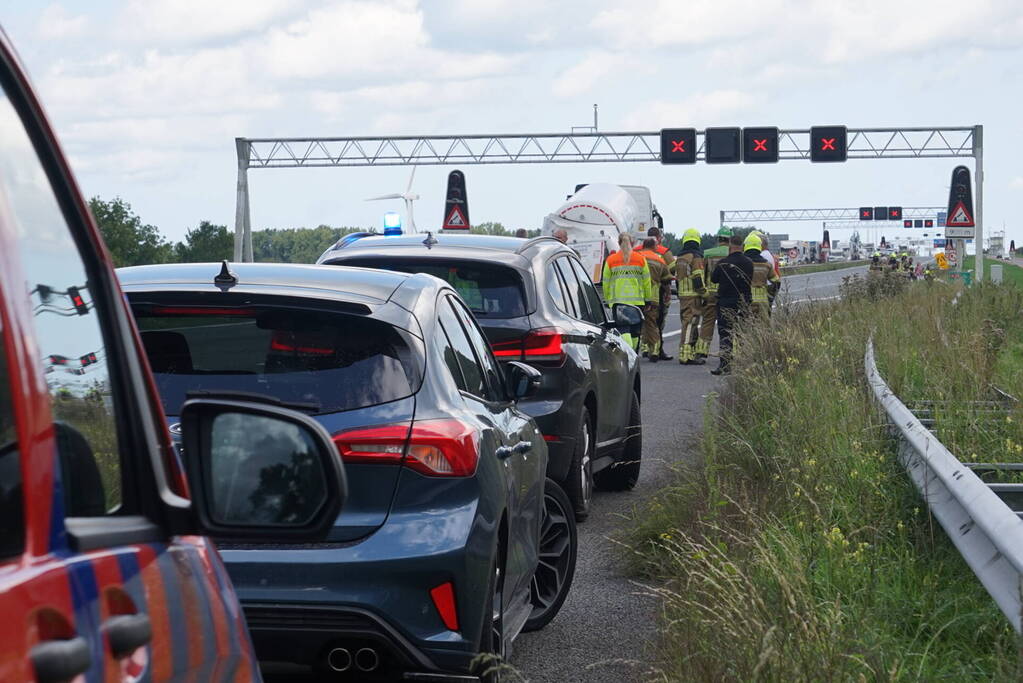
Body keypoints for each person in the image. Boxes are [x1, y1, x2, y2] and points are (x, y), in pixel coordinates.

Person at [710, 235, 752, 375]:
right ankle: (742, 364)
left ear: (729, 246)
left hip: (726, 301)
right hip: (743, 302)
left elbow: (714, 279)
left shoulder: (723, 263)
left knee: (725, 333)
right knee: (742, 332)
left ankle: (725, 365)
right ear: (742, 246)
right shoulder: (748, 262)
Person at [602, 232, 652, 350]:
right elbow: (647, 282)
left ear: (619, 243)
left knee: (623, 328)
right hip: (637, 302)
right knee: (635, 331)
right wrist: (648, 300)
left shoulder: (611, 260)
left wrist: (608, 300)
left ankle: (627, 351)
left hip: (618, 302)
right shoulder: (640, 259)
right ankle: (633, 352)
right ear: (632, 243)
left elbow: (606, 283)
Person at [635, 238, 672, 361]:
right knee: (652, 323)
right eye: (656, 245)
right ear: (652, 246)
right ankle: (655, 351)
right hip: (653, 296)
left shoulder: (636, 257)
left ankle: (640, 348)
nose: (658, 247)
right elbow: (666, 280)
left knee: (637, 324)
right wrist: (668, 293)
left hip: (636, 295)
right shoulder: (659, 259)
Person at [698, 227, 732, 362]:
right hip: (726, 293)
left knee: (707, 322)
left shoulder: (708, 253)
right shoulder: (731, 253)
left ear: (718, 239)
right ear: (729, 239)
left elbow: (703, 273)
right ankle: (728, 352)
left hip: (711, 293)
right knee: (728, 323)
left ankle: (701, 351)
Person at [676, 228, 707, 365]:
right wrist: (705, 294)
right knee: (690, 324)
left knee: (686, 323)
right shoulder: (696, 257)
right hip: (693, 296)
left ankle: (688, 352)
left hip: (683, 295)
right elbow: (698, 278)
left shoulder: (680, 258)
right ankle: (686, 354)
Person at [647, 226, 676, 359]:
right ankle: (657, 351)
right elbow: (672, 270)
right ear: (658, 238)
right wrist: (668, 288)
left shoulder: (636, 252)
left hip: (638, 293)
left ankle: (646, 348)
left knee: (645, 321)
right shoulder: (663, 253)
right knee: (658, 322)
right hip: (658, 291)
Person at [744, 233, 779, 319]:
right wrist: (770, 296)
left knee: (745, 327)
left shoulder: (741, 263)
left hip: (746, 301)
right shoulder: (766, 264)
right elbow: (776, 281)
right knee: (763, 328)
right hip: (762, 302)